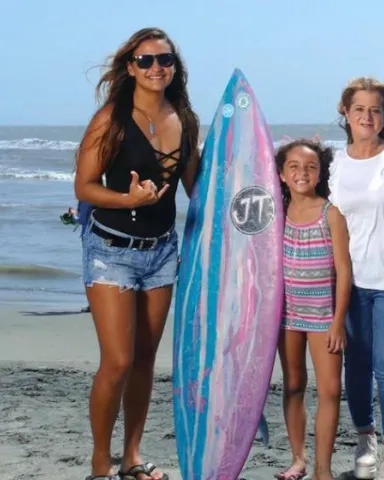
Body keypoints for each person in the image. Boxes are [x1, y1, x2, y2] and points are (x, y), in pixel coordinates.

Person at [73, 27, 200, 480]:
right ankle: (99, 463)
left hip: (162, 250)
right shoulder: (111, 118)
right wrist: (127, 201)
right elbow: (84, 186)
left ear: (174, 66)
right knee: (118, 361)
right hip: (110, 250)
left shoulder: (184, 118)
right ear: (131, 67)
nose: (155, 68)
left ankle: (131, 456)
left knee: (145, 359)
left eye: (163, 59)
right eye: (145, 61)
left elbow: (195, 188)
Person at [329, 77, 384, 479]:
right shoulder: (331, 162)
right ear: (345, 112)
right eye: (359, 108)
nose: (367, 116)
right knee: (355, 368)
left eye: (375, 110)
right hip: (347, 284)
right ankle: (366, 440)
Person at [274, 139, 352, 480]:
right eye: (293, 166)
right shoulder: (276, 213)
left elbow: (345, 271)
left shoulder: (330, 213)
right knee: (293, 384)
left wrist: (338, 322)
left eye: (310, 167)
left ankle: (323, 468)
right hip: (286, 316)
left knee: (330, 389)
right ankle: (298, 459)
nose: (302, 173)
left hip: (323, 317)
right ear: (281, 174)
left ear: (320, 172)